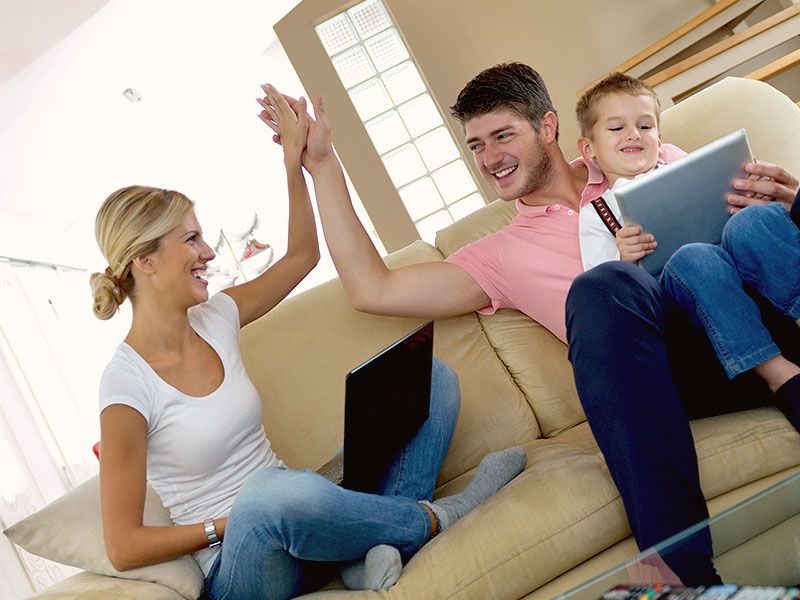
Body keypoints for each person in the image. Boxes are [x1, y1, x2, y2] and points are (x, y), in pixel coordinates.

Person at [264, 63, 800, 584]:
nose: (490, 158)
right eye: (476, 146)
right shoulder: (501, 255)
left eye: (502, 136)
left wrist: (785, 200)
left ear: (548, 126)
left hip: (760, 321)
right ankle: (685, 577)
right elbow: (371, 288)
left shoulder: (643, 159)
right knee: (603, 287)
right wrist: (324, 164)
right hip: (684, 374)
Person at [92, 85, 526, 600]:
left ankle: (367, 553)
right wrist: (228, 524)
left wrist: (292, 160)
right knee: (269, 495)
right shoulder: (125, 385)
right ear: (145, 260)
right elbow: (123, 546)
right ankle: (438, 517)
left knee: (432, 379)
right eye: (190, 240)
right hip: (241, 564)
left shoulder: (217, 317)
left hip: (304, 517)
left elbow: (302, 256)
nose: (208, 251)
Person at [575, 72, 800, 403]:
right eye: (616, 128)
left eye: (645, 126)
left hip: (751, 278)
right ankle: (781, 377)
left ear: (660, 136)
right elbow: (611, 299)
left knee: (752, 220)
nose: (633, 134)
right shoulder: (597, 213)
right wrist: (627, 261)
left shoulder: (689, 168)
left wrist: (754, 199)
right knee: (694, 257)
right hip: (692, 303)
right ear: (589, 150)